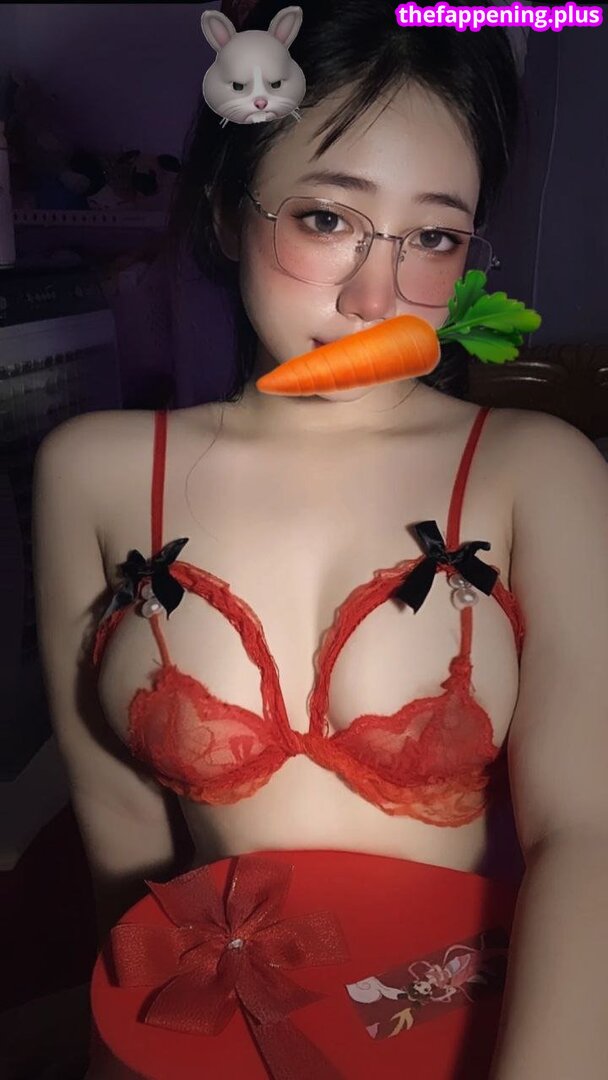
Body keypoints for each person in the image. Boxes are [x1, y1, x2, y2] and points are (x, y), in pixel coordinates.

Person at [28, 3, 608, 1078]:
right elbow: (120, 825)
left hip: (465, 1029)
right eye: (327, 218)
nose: (375, 295)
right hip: (216, 1019)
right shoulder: (96, 471)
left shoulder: (536, 471)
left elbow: (589, 834)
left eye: (433, 237)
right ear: (223, 210)